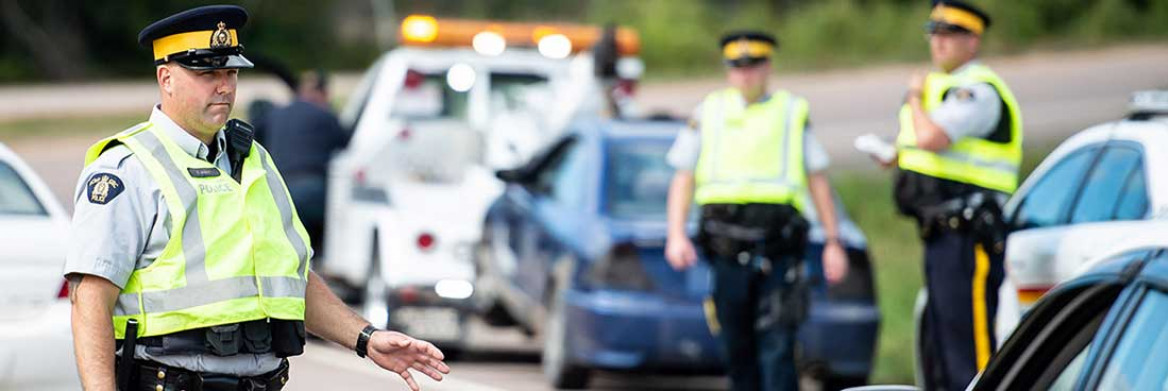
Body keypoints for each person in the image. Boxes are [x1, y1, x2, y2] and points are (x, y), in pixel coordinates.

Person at [64, 6, 448, 391]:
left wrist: (366, 338)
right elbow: (90, 299)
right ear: (166, 78)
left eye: (230, 72)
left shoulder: (253, 158)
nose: (225, 86)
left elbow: (290, 279)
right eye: (207, 73)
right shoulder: (128, 168)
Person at [664, 30, 849, 391]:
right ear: (727, 70)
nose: (745, 73)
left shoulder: (792, 111)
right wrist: (675, 234)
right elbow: (683, 178)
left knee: (778, 349)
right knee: (736, 350)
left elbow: (818, 181)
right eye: (737, 66)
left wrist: (833, 240)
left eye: (753, 65)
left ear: (768, 67)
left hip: (777, 252)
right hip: (726, 252)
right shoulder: (709, 112)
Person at [882, 2, 1023, 390]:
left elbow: (931, 138)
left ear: (973, 41)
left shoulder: (977, 91)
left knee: (972, 354)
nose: (938, 43)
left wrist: (913, 97)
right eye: (934, 34)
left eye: (949, 35)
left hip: (969, 235)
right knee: (943, 350)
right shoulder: (943, 88)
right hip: (940, 233)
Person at [264, 69, 351, 255]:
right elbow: (347, 146)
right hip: (315, 190)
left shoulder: (276, 114)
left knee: (289, 245)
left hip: (281, 189)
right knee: (318, 244)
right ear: (323, 93)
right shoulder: (326, 116)